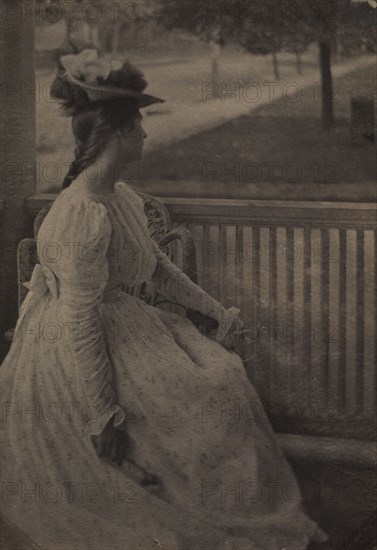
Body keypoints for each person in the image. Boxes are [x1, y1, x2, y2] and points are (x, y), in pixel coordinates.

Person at [0, 48, 327, 550]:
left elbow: (161, 272)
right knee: (197, 400)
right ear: (119, 135)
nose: (147, 135)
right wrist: (103, 416)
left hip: (123, 322)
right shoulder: (82, 212)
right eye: (140, 126)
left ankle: (218, 500)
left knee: (219, 377)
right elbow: (81, 321)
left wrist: (217, 312)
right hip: (74, 345)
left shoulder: (121, 196)